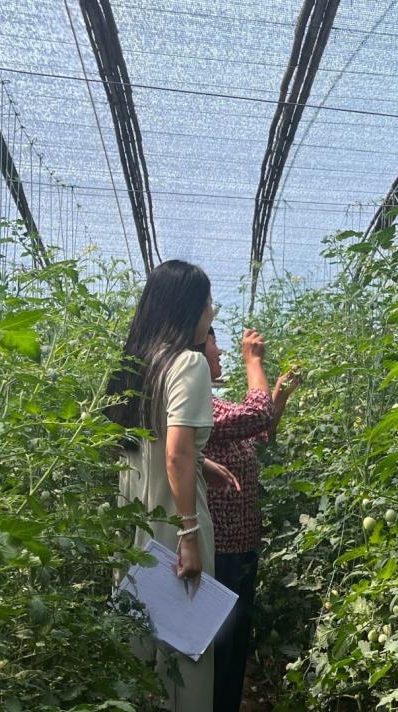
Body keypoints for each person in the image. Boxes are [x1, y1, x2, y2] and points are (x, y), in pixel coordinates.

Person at [104, 260, 239, 712]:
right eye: (207, 304)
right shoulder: (189, 363)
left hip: (136, 523)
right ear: (187, 309)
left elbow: (152, 443)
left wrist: (202, 462)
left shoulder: (137, 365)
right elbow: (176, 452)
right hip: (174, 523)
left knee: (138, 644)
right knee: (185, 647)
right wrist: (190, 536)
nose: (211, 313)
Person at [199, 326, 300, 712]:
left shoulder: (213, 405)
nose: (220, 351)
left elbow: (257, 435)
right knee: (221, 645)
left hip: (240, 547)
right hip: (219, 550)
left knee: (234, 641)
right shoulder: (200, 406)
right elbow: (255, 416)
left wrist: (279, 396)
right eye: (213, 342)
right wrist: (254, 361)